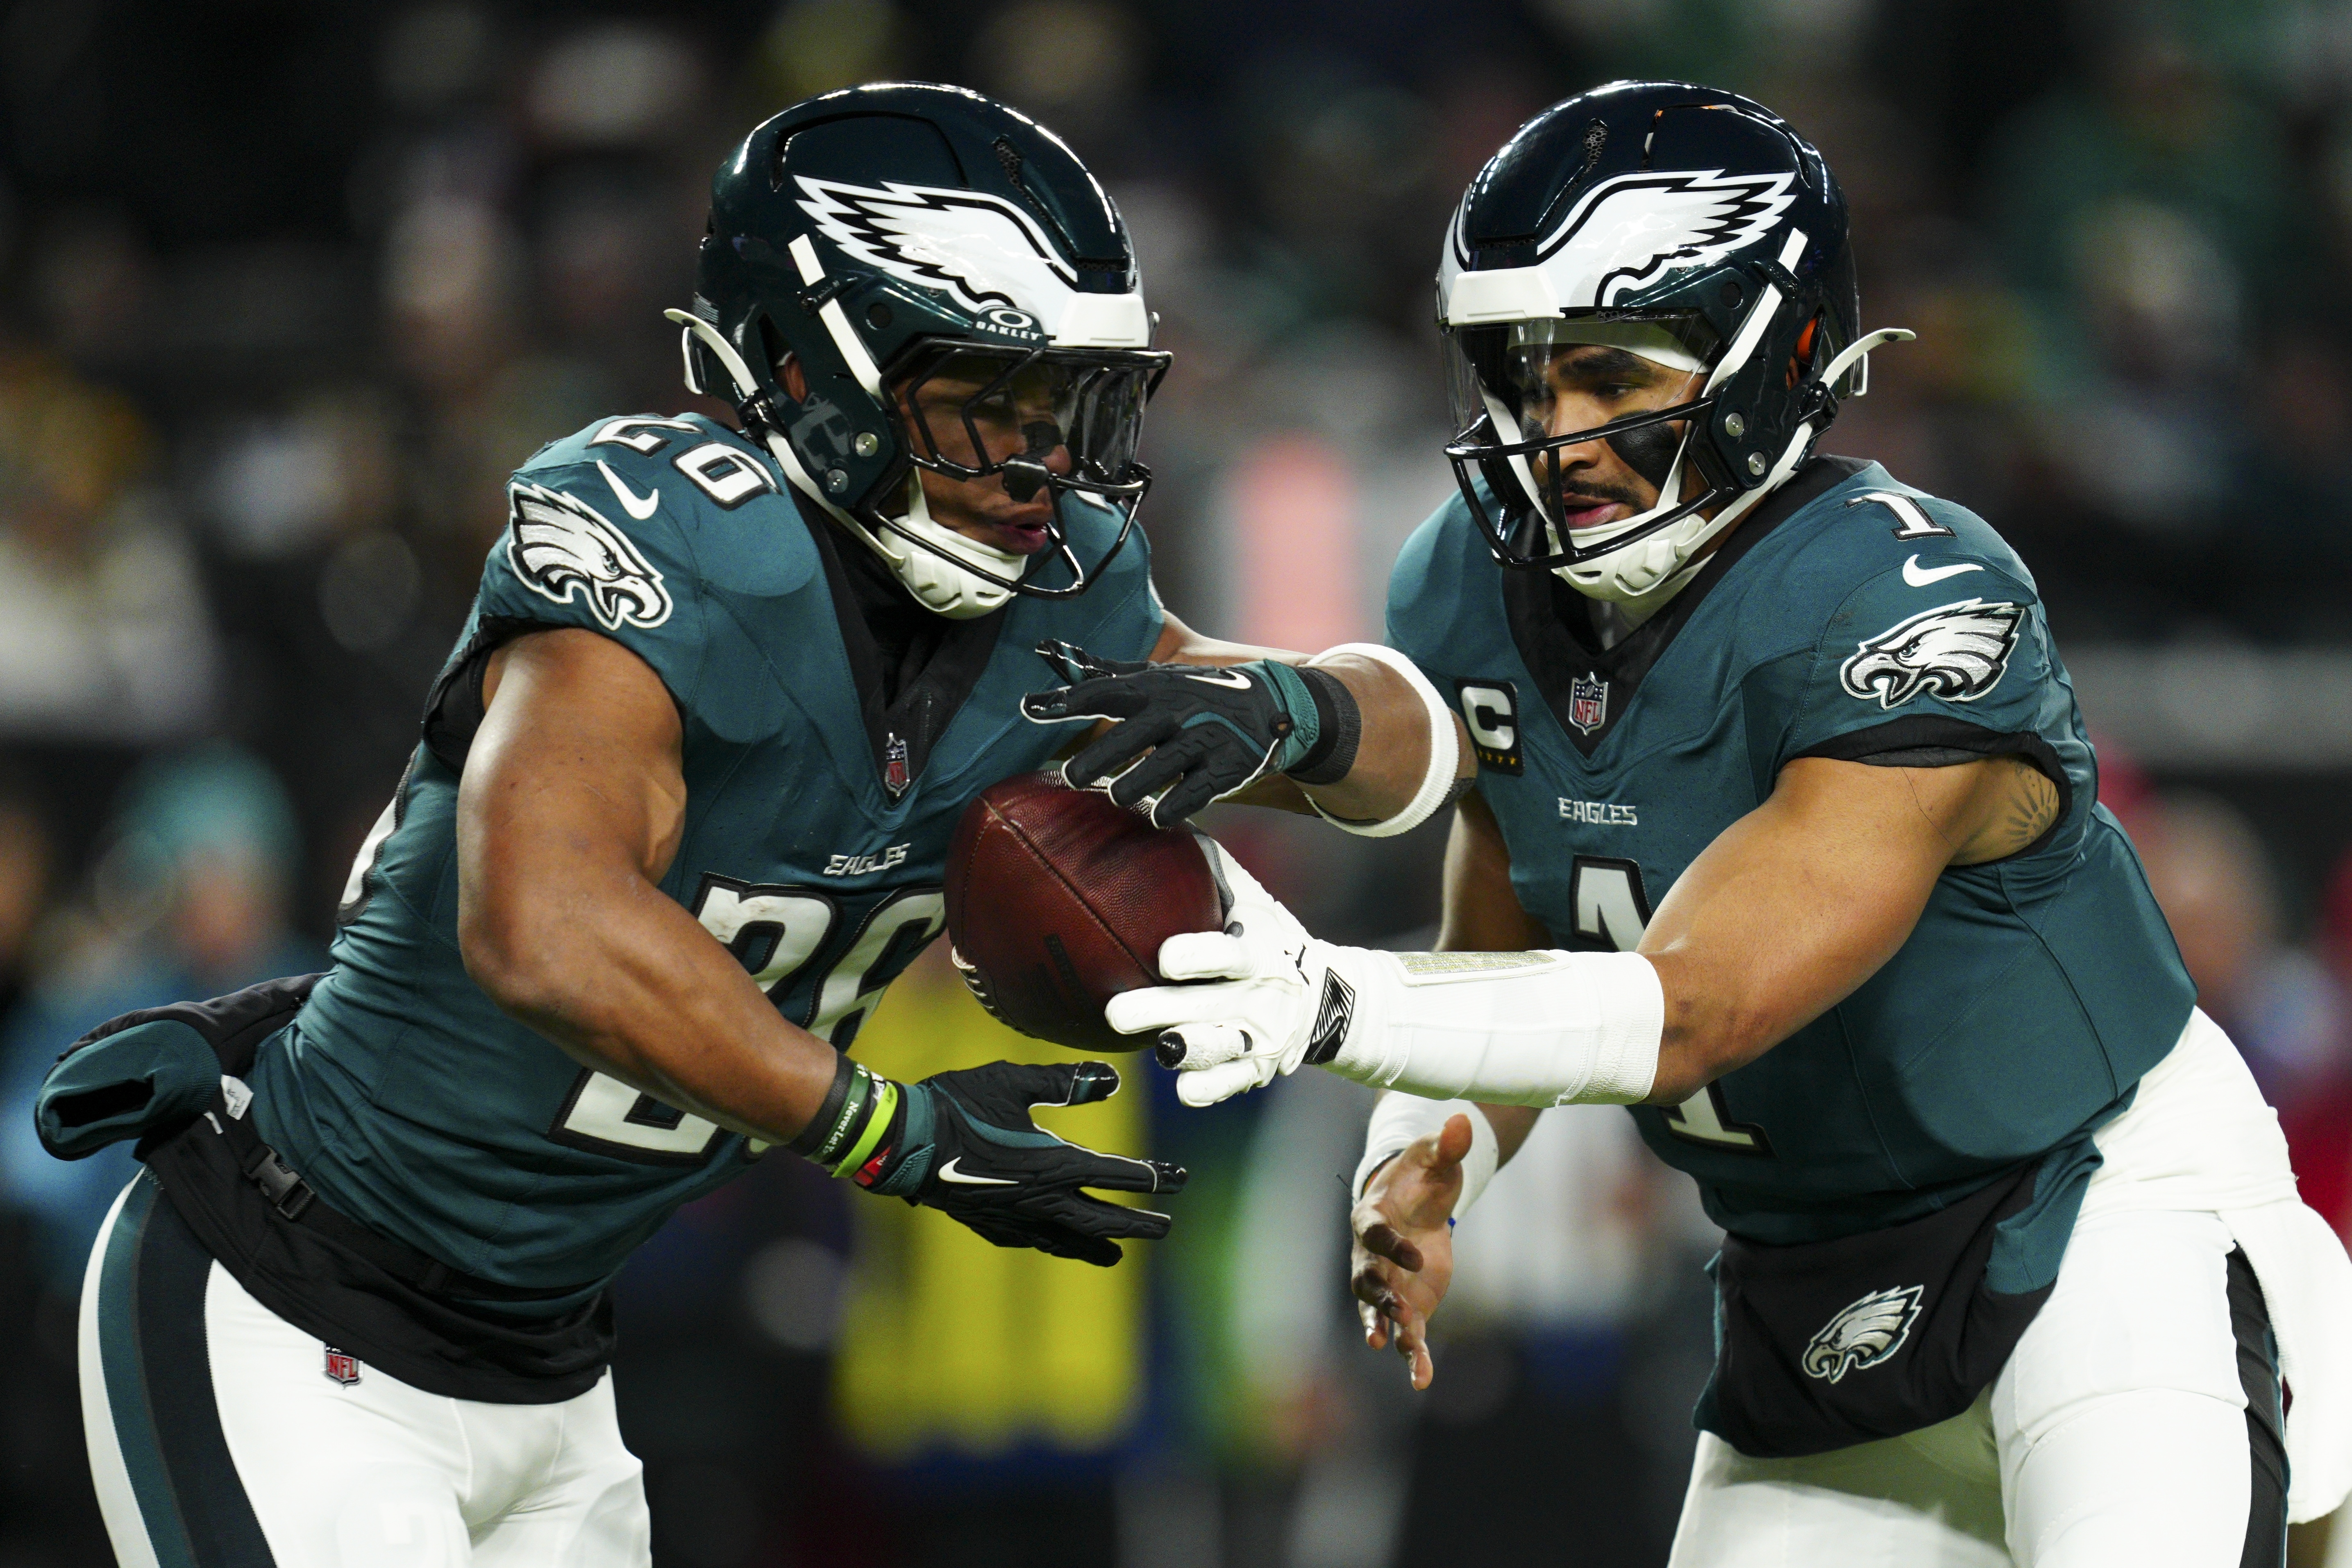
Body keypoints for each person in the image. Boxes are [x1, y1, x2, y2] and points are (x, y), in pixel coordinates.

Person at [36, 83, 1442, 1568]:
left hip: (554, 1369)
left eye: (1066, 409)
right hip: (293, 1298)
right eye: (985, 402)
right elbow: (543, 923)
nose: (1041, 469)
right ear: (802, 366)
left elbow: (1422, 751)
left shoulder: (1062, 599)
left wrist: (1294, 711)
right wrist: (879, 1127)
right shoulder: (673, 538)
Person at [1037, 81, 2352, 1566]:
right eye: (1526, 382)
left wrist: (1331, 1000)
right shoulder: (1480, 582)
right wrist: (1431, 1140)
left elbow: (1696, 1006)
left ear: (1773, 357)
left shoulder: (1906, 600)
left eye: (1609, 379)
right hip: (1808, 1296)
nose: (1559, 435)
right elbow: (1515, 901)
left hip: (2094, 1231)